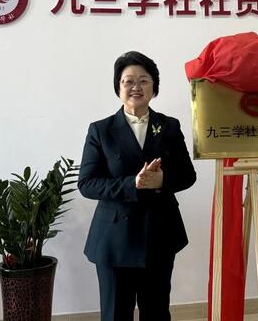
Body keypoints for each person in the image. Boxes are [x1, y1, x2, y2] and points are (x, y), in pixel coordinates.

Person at [79, 51, 197, 321]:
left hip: (160, 233)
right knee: (116, 314)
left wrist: (162, 180)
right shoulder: (101, 130)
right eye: (128, 81)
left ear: (154, 87)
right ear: (118, 86)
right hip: (114, 238)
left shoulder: (169, 126)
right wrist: (132, 183)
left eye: (144, 80)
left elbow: (187, 175)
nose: (136, 87)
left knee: (156, 312)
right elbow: (87, 183)